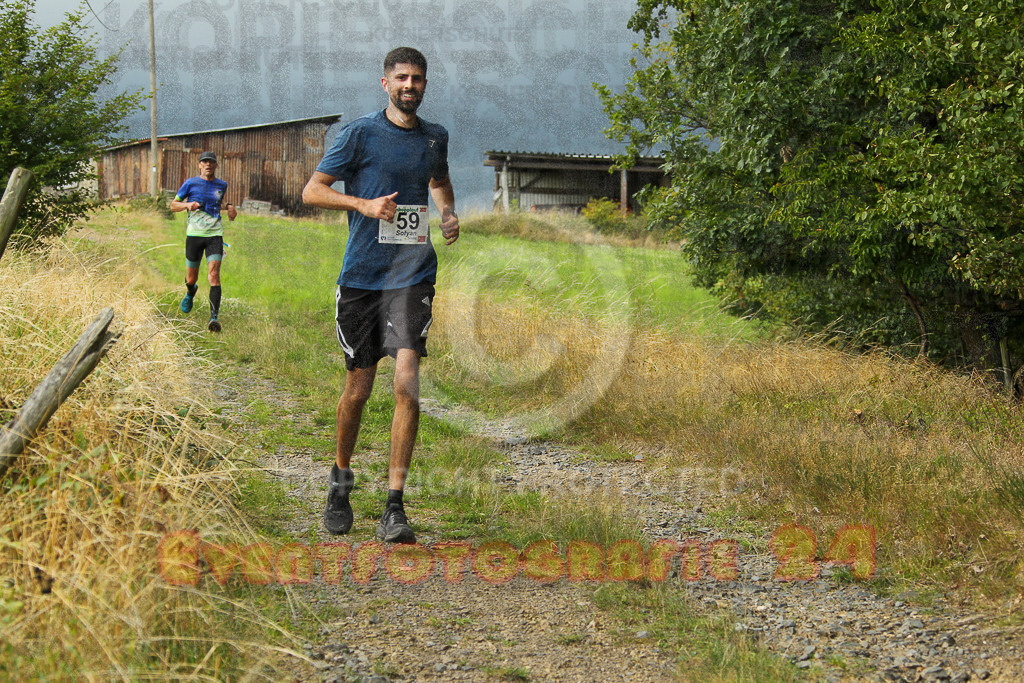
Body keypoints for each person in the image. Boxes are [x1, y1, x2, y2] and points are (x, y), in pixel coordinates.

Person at [302, 46, 459, 544]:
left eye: (417, 78)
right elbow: (312, 191)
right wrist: (363, 205)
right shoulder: (358, 134)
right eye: (401, 78)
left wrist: (448, 212)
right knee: (359, 389)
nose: (409, 85)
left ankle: (395, 506)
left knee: (406, 382)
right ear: (385, 83)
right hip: (363, 279)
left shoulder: (435, 137)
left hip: (413, 276)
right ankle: (340, 482)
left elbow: (439, 179)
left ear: (425, 84)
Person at [170, 151, 237, 332]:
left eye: (211, 162)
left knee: (214, 275)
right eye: (205, 162)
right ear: (200, 165)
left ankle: (213, 318)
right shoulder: (190, 183)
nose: (208, 165)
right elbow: (173, 205)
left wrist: (230, 207)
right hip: (194, 235)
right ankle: (191, 292)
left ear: (216, 165)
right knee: (191, 278)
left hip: (214, 235)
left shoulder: (222, 185)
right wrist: (186, 205)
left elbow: (216, 202)